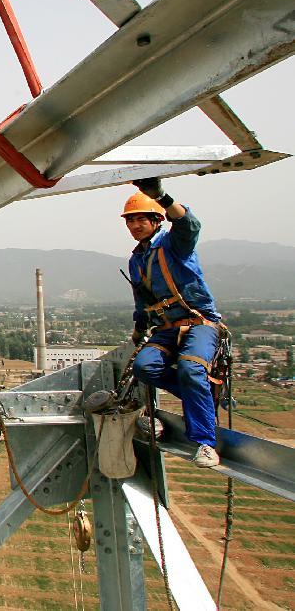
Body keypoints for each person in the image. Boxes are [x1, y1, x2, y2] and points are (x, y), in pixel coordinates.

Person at [122, 177, 223, 468]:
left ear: (156, 220)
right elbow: (142, 301)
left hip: (198, 322)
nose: (134, 226)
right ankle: (201, 391)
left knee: (192, 369)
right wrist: (140, 328)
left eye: (140, 220)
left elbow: (190, 226)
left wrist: (162, 196)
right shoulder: (136, 260)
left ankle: (205, 442)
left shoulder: (173, 244)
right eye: (130, 222)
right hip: (166, 328)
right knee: (144, 367)